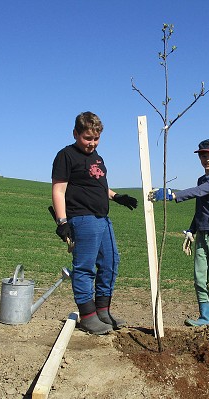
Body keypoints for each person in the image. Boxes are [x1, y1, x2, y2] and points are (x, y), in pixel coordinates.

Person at [51, 112, 138, 335]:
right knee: (85, 267)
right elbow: (59, 190)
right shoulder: (66, 155)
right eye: (87, 138)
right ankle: (88, 316)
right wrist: (63, 222)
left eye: (96, 139)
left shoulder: (97, 158)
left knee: (111, 263)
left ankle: (103, 311)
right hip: (82, 218)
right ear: (75, 133)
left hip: (102, 219)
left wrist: (117, 197)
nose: (92, 143)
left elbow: (97, 186)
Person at [150, 138, 209, 326]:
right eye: (203, 156)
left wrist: (173, 195)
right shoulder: (202, 179)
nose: (207, 159)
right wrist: (191, 230)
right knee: (199, 278)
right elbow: (200, 209)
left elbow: (199, 191)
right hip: (202, 234)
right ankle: (204, 317)